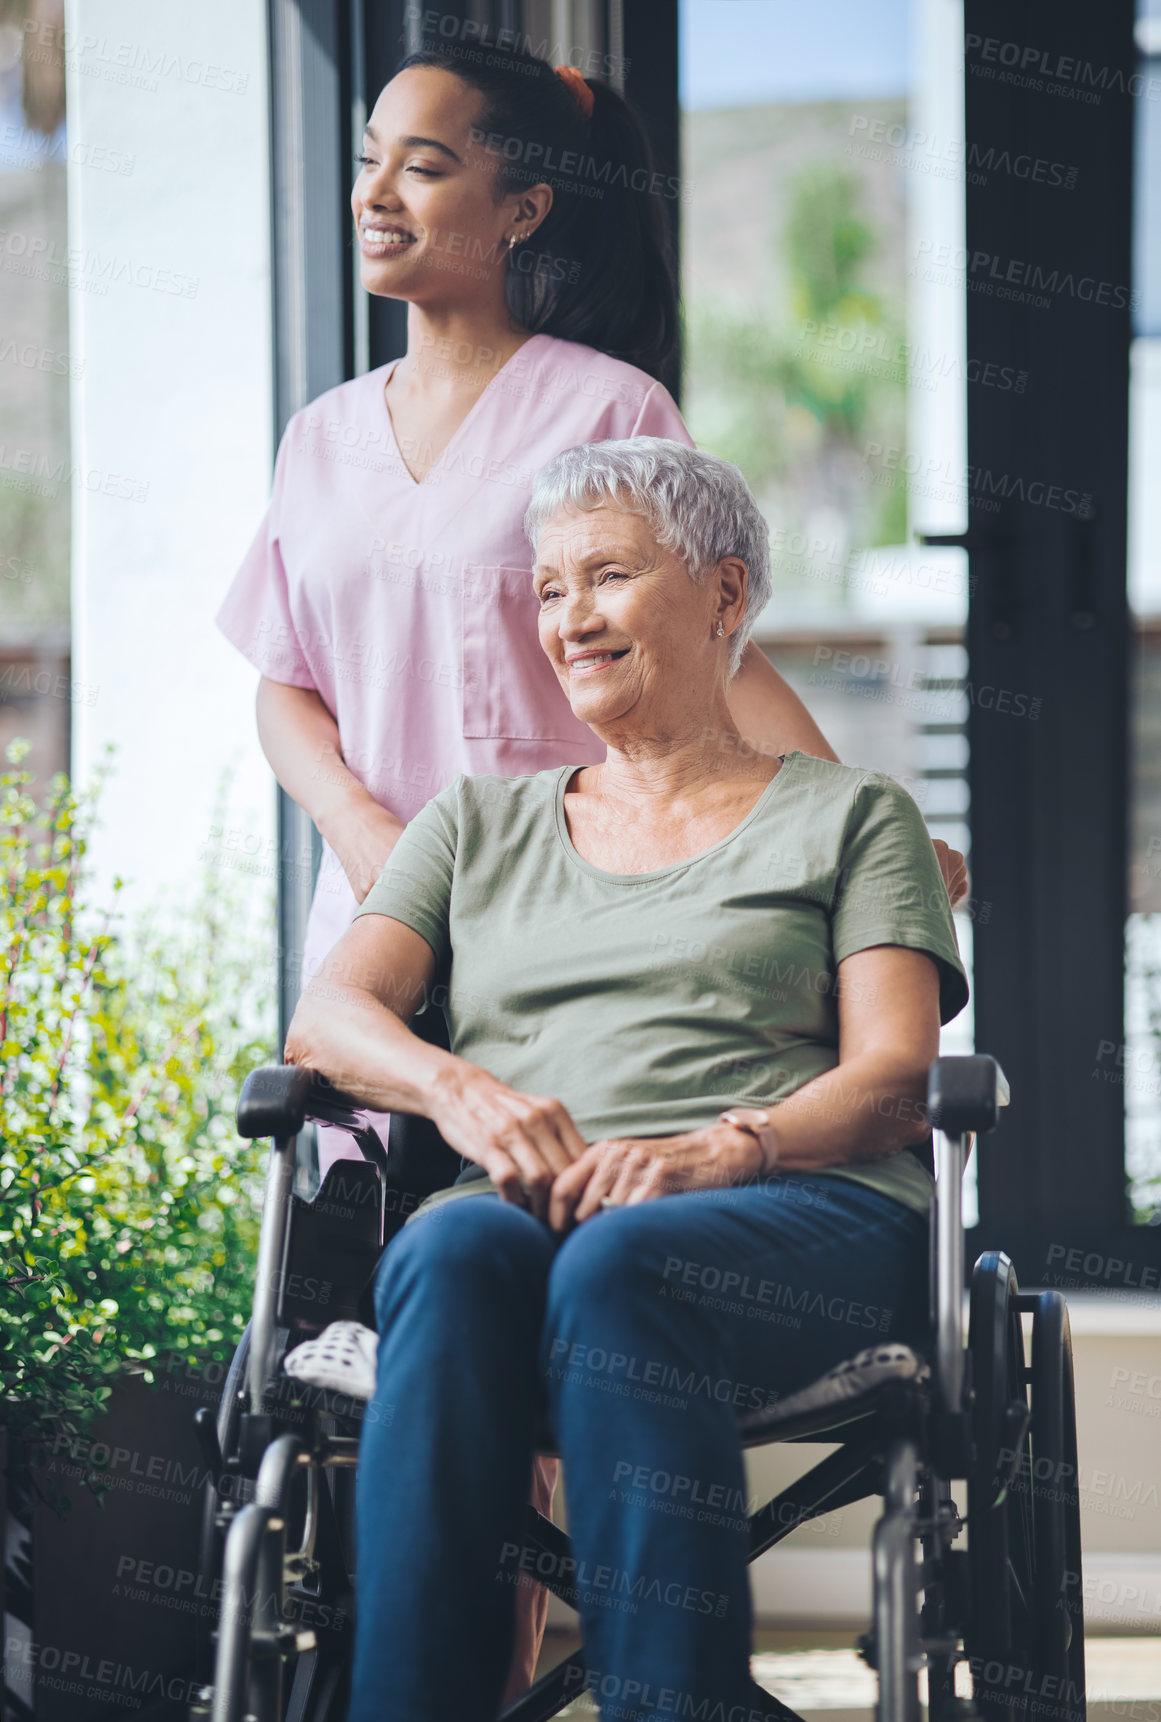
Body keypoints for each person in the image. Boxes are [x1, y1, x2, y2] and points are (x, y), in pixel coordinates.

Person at [215, 42, 961, 1697]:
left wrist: (851, 829)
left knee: (603, 1274)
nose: (375, 193)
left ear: (521, 203)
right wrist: (379, 842)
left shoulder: (601, 412)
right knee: (458, 1262)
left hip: (665, 995)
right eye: (369, 158)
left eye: (423, 163)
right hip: (427, 915)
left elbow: (692, 639)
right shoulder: (323, 437)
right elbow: (284, 678)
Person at [284, 439, 970, 1721]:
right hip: (533, 1210)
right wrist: (461, 1095)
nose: (569, 620)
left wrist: (723, 1149)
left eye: (605, 577)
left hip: (798, 1210)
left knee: (624, 1264)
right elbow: (326, 1018)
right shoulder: (471, 825)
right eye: (548, 590)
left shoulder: (853, 816)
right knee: (444, 1257)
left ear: (723, 596)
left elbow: (896, 1077)